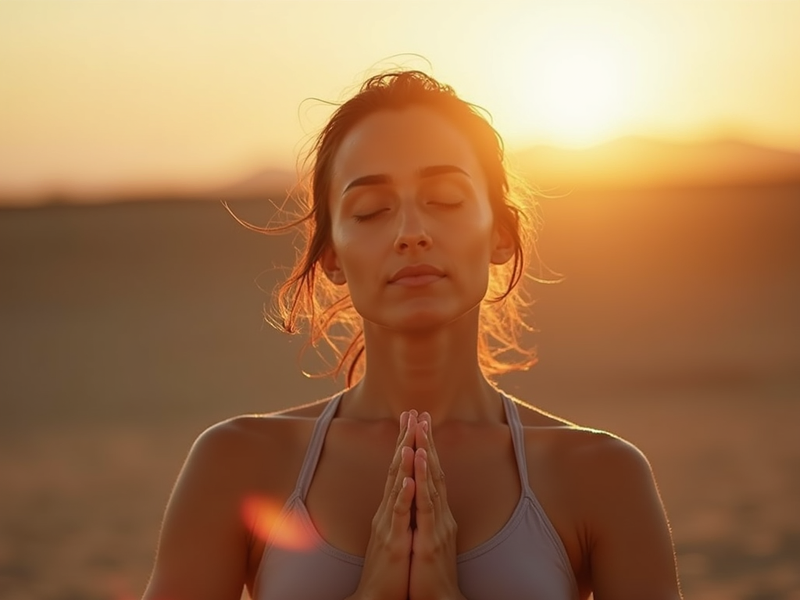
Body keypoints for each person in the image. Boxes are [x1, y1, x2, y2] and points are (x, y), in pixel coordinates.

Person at [142, 69, 683, 600]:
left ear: (500, 233)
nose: (411, 234)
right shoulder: (238, 462)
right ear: (331, 256)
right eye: (371, 210)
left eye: (445, 200)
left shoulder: (600, 475)